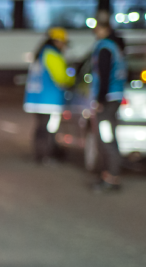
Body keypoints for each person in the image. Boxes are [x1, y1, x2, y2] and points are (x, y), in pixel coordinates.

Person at [22, 27, 76, 164]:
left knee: (40, 128)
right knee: (49, 129)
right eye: (63, 43)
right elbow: (61, 77)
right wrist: (72, 78)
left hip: (36, 99)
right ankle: (46, 156)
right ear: (57, 42)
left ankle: (40, 155)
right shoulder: (52, 55)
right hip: (49, 101)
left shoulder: (40, 54)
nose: (64, 47)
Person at [89, 13, 128, 191]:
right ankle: (110, 176)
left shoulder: (105, 48)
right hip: (115, 97)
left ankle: (111, 178)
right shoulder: (116, 47)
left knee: (106, 138)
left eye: (97, 28)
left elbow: (104, 76)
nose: (95, 32)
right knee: (109, 137)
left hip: (108, 99)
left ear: (104, 29)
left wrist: (99, 100)